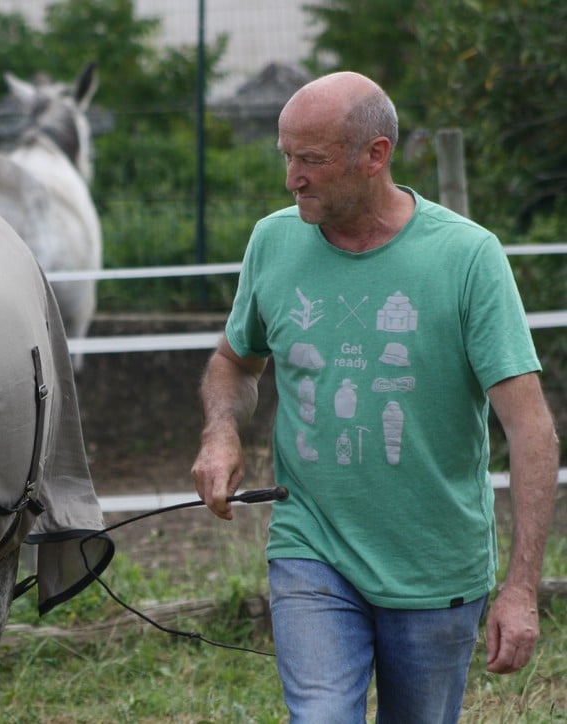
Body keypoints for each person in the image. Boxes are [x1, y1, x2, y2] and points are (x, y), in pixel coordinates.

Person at [191, 71, 559, 722]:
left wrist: (521, 589)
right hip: (312, 546)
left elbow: (531, 431)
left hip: (435, 563)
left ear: (375, 155)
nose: (291, 178)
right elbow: (233, 361)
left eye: (311, 160)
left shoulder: (468, 258)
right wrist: (220, 430)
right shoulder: (273, 242)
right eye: (286, 157)